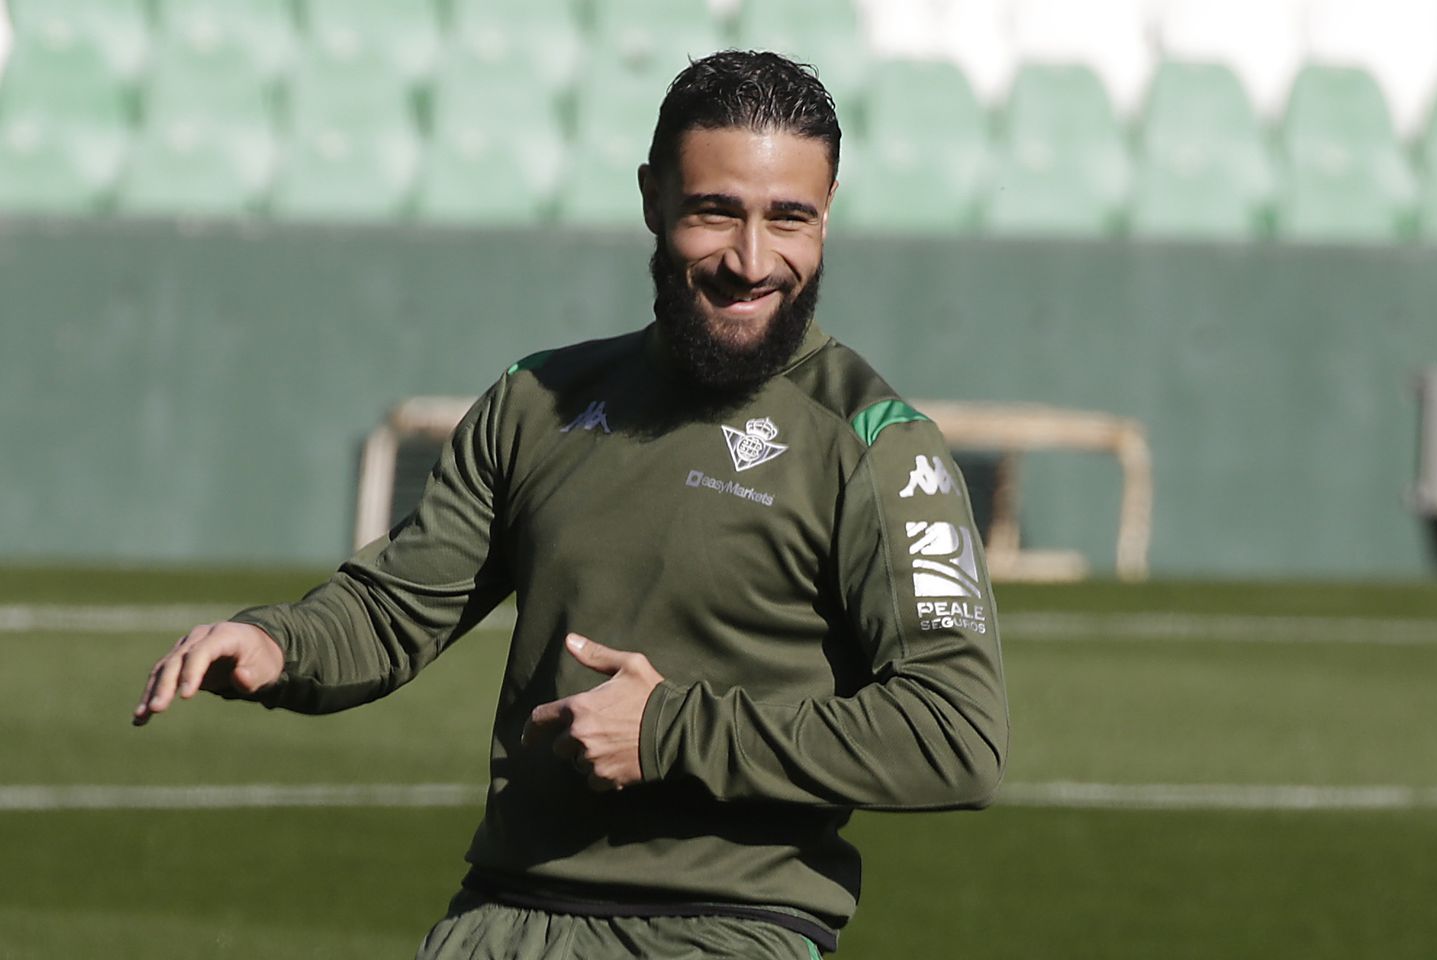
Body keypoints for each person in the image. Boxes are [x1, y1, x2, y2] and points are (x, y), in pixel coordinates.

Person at [132, 50, 1008, 959]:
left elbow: (956, 734)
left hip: (726, 932)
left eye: (790, 219)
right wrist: (280, 644)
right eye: (716, 212)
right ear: (652, 200)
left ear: (827, 216)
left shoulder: (877, 443)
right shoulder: (537, 399)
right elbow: (397, 605)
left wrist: (673, 732)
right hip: (497, 920)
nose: (753, 261)